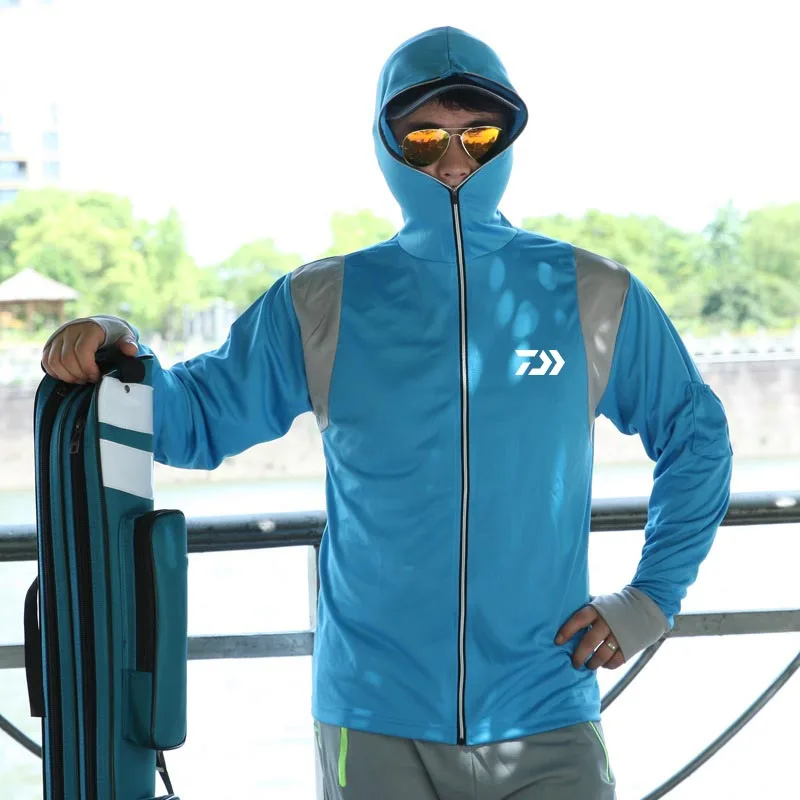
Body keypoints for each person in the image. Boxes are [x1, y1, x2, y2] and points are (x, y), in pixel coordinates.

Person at [41, 26, 733, 800]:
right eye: (425, 137)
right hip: (372, 722)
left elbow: (697, 437)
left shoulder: (589, 293)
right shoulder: (323, 299)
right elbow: (196, 418)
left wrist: (650, 598)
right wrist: (120, 349)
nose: (454, 160)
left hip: (547, 709)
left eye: (479, 134)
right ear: (387, 144)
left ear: (509, 140)